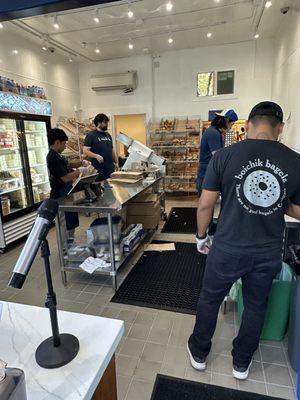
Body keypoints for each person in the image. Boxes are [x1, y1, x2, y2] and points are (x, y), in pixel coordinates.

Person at [188, 101, 300, 380]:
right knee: (256, 305)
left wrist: (201, 237)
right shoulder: (295, 161)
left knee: (210, 299)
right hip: (268, 251)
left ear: (248, 125)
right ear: (281, 128)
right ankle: (241, 362)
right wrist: (279, 203)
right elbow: (297, 210)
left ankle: (200, 353)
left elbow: (205, 205)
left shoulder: (225, 156)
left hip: (227, 247)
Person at [47, 128, 81, 241]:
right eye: (64, 143)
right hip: (60, 195)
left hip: (67, 194)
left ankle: (71, 244)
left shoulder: (58, 155)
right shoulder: (53, 157)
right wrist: (81, 172)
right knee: (64, 223)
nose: (65, 146)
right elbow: (65, 178)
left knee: (70, 221)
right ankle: (65, 249)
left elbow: (67, 165)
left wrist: (81, 162)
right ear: (57, 142)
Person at [196, 109, 238, 194]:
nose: (231, 127)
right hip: (206, 174)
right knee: (206, 206)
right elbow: (217, 156)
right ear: (226, 121)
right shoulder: (213, 133)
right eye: (232, 124)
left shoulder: (216, 132)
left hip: (208, 172)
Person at [83, 113, 118, 181]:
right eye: (105, 122)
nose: (107, 124)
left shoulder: (108, 135)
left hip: (110, 168)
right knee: (101, 188)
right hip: (99, 169)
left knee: (110, 188)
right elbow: (85, 150)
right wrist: (96, 156)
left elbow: (111, 149)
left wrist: (116, 162)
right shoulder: (91, 135)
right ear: (99, 123)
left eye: (107, 122)